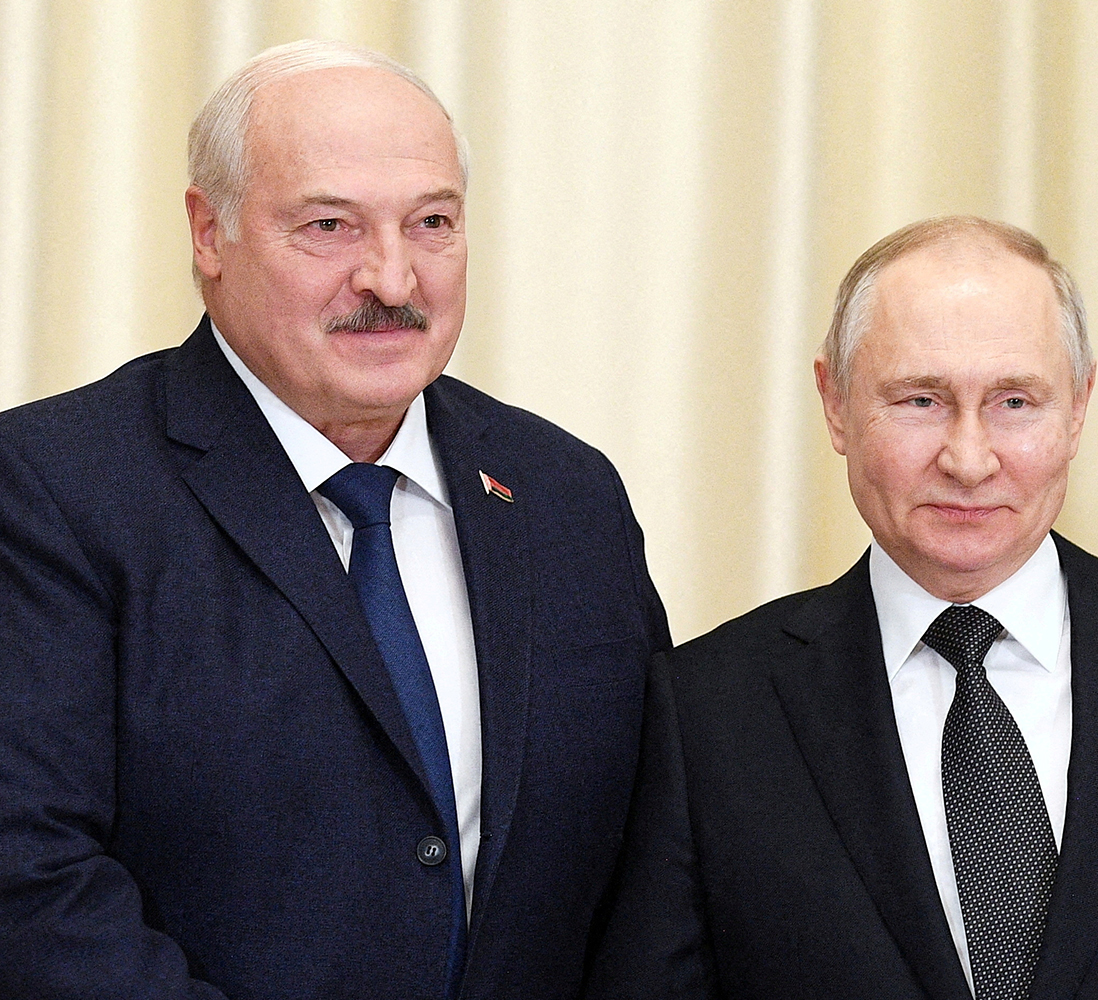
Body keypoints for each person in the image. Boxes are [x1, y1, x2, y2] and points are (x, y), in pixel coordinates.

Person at [585, 216, 1098, 999]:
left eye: (1015, 402)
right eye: (921, 400)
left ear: (1079, 406)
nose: (969, 458)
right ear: (835, 404)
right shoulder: (707, 711)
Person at [0, 40, 668, 1000]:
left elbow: (651, 866)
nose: (393, 281)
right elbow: (30, 884)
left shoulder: (566, 494)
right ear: (209, 233)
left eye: (431, 223)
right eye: (329, 226)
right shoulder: (52, 489)